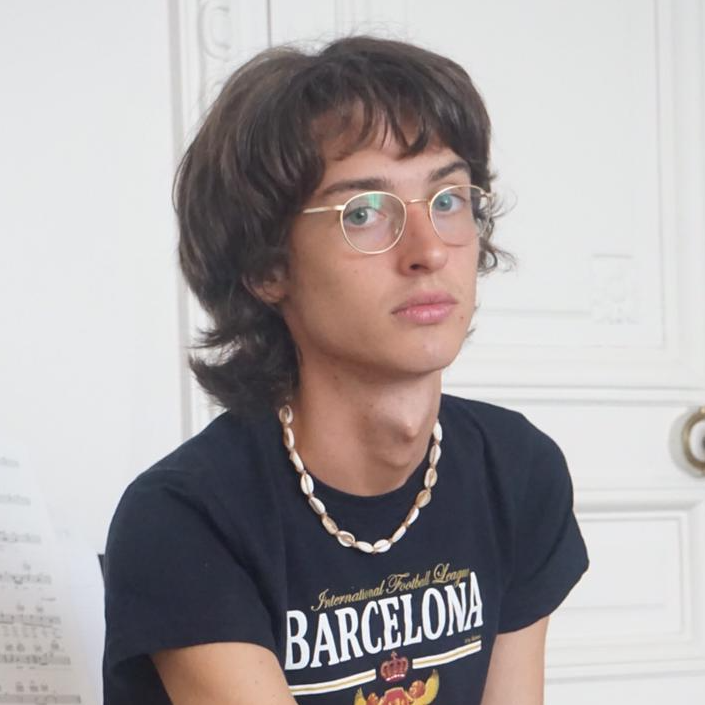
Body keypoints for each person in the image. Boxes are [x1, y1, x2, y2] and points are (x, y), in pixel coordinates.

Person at [102, 35, 589, 705]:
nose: (428, 251)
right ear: (267, 267)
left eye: (448, 199)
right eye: (364, 212)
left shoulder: (517, 471)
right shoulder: (185, 519)